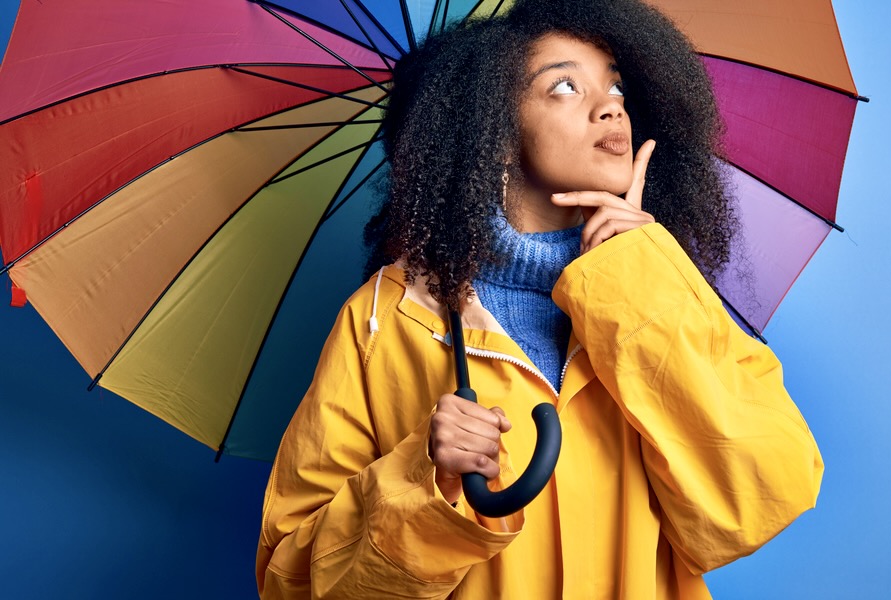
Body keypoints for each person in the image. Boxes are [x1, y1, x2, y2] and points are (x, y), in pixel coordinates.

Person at [256, 0, 822, 597]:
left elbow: (763, 496)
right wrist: (425, 481)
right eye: (565, 86)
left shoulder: (662, 287)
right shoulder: (385, 321)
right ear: (494, 136)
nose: (610, 105)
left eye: (616, 86)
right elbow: (291, 581)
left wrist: (638, 280)